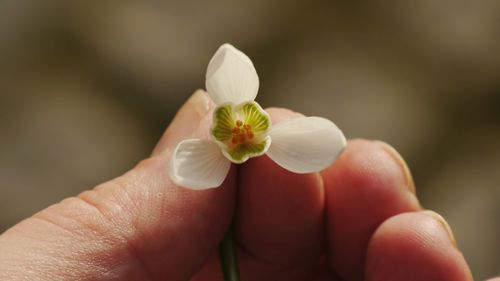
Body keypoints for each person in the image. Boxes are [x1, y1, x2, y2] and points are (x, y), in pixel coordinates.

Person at [0, 91, 491, 281]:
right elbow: (183, 172)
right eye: (233, 128)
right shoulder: (199, 165)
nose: (241, 134)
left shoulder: (258, 149)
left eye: (243, 131)